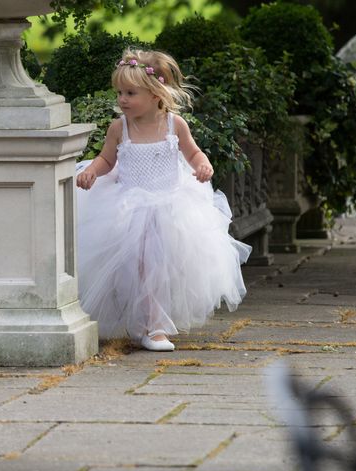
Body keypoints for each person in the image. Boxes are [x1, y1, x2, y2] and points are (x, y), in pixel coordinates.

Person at [75, 48, 252, 352]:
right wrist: (93, 169)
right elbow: (107, 159)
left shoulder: (174, 125)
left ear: (156, 94)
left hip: (171, 207)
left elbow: (193, 152)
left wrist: (201, 164)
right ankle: (144, 323)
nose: (122, 99)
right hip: (128, 208)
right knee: (136, 267)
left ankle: (154, 325)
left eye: (130, 93)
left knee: (161, 269)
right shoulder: (120, 128)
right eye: (119, 92)